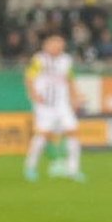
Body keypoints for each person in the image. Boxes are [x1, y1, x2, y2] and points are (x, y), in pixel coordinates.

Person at [25, 29, 84, 181]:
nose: (58, 47)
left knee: (73, 132)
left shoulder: (66, 60)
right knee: (42, 135)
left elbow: (69, 80)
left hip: (62, 104)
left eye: (60, 45)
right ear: (47, 45)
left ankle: (73, 169)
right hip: (45, 105)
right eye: (55, 44)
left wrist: (75, 97)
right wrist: (33, 94)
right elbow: (29, 77)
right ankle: (31, 167)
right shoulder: (39, 60)